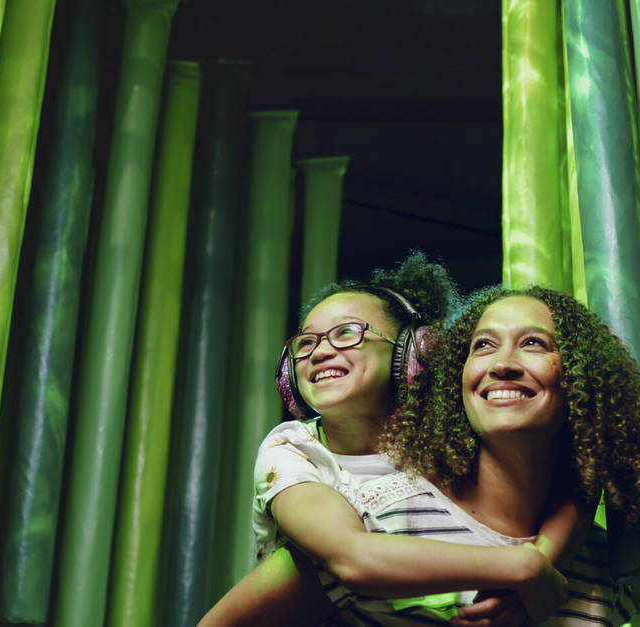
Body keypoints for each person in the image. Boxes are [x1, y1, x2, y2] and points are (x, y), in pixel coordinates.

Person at [200, 258, 584, 627]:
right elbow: (353, 557)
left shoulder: (443, 437)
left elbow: (574, 478)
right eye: (305, 343)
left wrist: (540, 568)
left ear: (413, 354)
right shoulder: (292, 448)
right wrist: (525, 569)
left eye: (347, 333)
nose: (319, 351)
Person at [320, 285, 640, 625]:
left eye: (533, 343)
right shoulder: (376, 515)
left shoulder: (603, 570)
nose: (502, 364)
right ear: (457, 377)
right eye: (483, 345)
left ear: (580, 377)